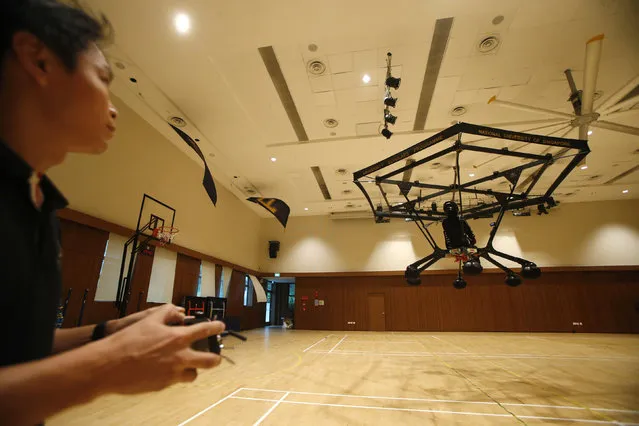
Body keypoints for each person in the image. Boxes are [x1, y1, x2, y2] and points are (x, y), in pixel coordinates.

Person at [0, 1, 225, 424]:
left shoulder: (38, 203)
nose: (114, 104)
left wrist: (110, 332)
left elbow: (19, 347)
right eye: (103, 77)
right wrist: (105, 367)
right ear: (39, 60)